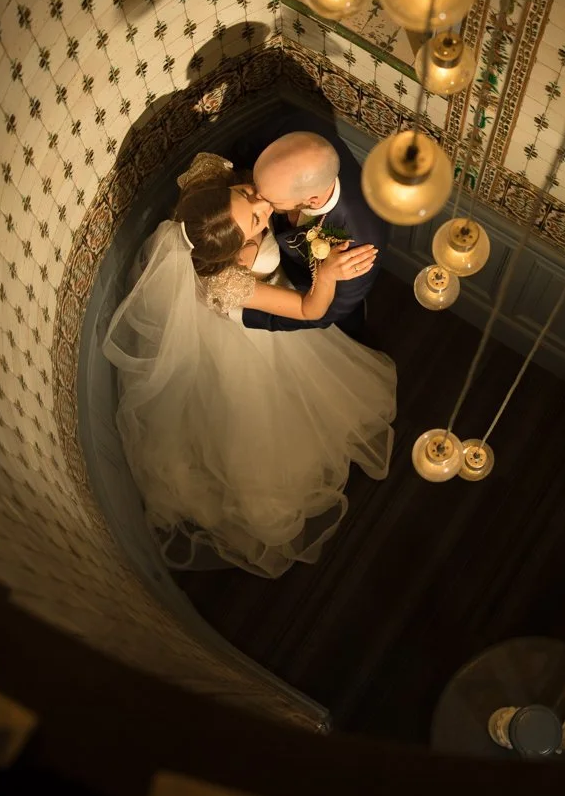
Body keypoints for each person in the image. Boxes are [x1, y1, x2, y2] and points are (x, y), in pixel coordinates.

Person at [101, 151, 396, 578]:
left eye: (246, 196)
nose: (263, 207)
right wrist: (327, 274)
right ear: (240, 257)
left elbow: (217, 170)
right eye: (257, 223)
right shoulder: (231, 279)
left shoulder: (206, 191)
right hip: (259, 339)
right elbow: (311, 311)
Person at [232, 112, 387, 341]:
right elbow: (245, 149)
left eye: (273, 201)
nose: (260, 204)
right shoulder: (297, 129)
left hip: (307, 291)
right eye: (254, 188)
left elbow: (324, 315)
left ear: (311, 201)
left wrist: (245, 315)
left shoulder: (359, 242)